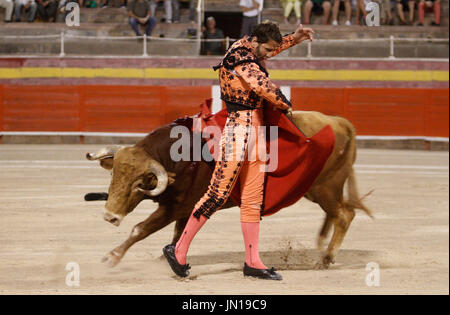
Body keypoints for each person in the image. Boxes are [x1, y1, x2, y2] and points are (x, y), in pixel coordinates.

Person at [163, 21, 314, 280]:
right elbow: (260, 84)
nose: (268, 54)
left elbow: (267, 52)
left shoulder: (251, 50)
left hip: (255, 131)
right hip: (237, 132)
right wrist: (285, 102)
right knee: (217, 194)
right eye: (266, 49)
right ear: (254, 41)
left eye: (270, 50)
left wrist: (295, 39)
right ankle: (178, 249)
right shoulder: (238, 56)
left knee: (253, 199)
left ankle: (253, 262)